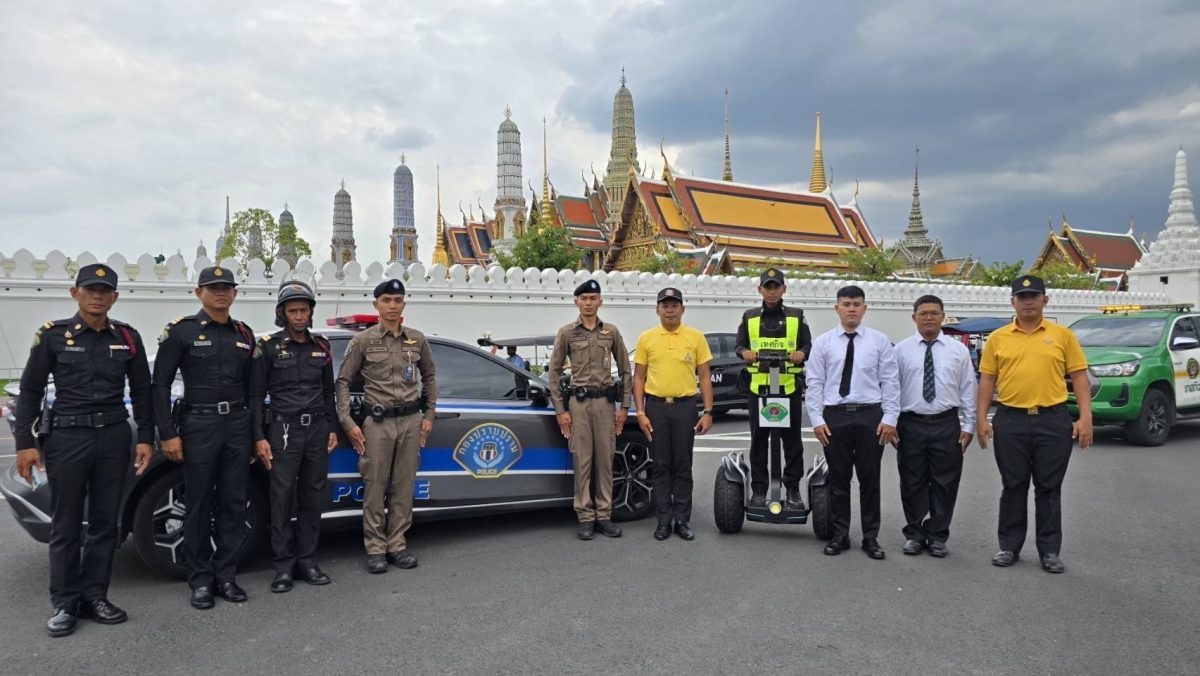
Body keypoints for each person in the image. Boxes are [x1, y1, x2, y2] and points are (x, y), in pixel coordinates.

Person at [13, 264, 153, 637]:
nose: (97, 296)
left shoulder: (127, 337)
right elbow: (30, 391)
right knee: (67, 524)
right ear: (75, 293)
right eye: (90, 289)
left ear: (114, 298)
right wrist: (25, 444)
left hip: (112, 438)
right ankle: (64, 602)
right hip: (68, 440)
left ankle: (96, 596)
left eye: (105, 291)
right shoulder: (53, 337)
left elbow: (142, 390)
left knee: (106, 524)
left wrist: (145, 438)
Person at [152, 265, 256, 610]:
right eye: (213, 288)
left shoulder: (244, 333)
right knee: (197, 504)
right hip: (199, 425)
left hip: (237, 426)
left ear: (235, 293)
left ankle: (226, 575)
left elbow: (255, 391)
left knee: (233, 502)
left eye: (227, 287)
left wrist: (256, 435)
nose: (221, 293)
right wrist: (167, 433)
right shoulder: (181, 332)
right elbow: (160, 384)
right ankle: (199, 580)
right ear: (199, 293)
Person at [976, 275, 1092, 574]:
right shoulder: (998, 338)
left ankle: (1050, 551)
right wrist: (981, 418)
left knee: (1049, 487)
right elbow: (987, 380)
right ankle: (1009, 547)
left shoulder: (1062, 335)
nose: (1028, 301)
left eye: (1034, 295)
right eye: (1022, 296)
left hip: (1052, 419)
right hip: (1011, 419)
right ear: (1012, 301)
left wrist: (1085, 417)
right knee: (1013, 485)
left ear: (1045, 300)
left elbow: (1079, 377)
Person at [336, 279, 436, 574]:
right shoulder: (363, 341)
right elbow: (342, 382)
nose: (393, 306)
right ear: (376, 304)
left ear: (404, 303)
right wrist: (347, 422)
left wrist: (428, 415)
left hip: (410, 420)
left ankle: (397, 545)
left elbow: (429, 378)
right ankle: (376, 549)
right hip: (376, 423)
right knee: (375, 486)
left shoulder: (416, 340)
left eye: (398, 300)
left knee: (404, 487)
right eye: (387, 300)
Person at [249, 280, 338, 593]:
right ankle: (283, 567)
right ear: (282, 313)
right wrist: (258, 436)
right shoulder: (268, 347)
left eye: (304, 310)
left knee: (312, 498)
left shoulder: (322, 347)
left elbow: (328, 393)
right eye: (293, 311)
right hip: (283, 431)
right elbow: (256, 396)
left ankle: (308, 561)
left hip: (316, 430)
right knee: (282, 500)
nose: (299, 316)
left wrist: (331, 428)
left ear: (311, 313)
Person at [806, 285, 899, 559]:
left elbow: (890, 382)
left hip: (871, 415)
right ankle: (840, 534)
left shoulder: (879, 341)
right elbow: (814, 383)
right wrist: (817, 419)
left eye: (857, 304)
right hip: (835, 416)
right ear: (837, 308)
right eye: (846, 304)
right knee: (838, 479)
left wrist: (891, 417)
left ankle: (871, 537)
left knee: (870, 479)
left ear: (865, 308)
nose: (851, 309)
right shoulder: (823, 343)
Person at [547, 279, 633, 540]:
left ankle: (604, 515)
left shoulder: (611, 333)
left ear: (600, 302)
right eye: (583, 299)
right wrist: (560, 410)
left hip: (606, 404)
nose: (588, 303)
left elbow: (626, 370)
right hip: (579, 404)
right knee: (582, 460)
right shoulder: (567, 333)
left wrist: (625, 406)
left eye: (592, 298)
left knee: (605, 460)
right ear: (576, 302)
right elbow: (554, 371)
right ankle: (585, 516)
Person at [893, 294, 977, 558]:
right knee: (912, 481)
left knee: (945, 481)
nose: (928, 317)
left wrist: (970, 425)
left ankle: (938, 535)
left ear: (943, 317)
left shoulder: (958, 351)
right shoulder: (901, 350)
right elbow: (891, 390)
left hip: (946, 423)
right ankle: (915, 534)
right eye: (923, 313)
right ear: (914, 317)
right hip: (910, 423)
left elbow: (968, 389)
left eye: (934, 313)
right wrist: (891, 423)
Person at [633, 288, 714, 542]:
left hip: (685, 407)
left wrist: (708, 411)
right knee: (660, 466)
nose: (669, 309)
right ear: (657, 309)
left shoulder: (696, 337)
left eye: (674, 304)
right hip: (656, 407)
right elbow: (639, 377)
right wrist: (641, 411)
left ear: (682, 309)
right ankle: (663, 521)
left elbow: (704, 376)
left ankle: (682, 520)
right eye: (665, 305)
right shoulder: (647, 338)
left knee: (683, 466)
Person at [734, 267, 812, 509]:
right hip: (760, 391)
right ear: (760, 289)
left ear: (783, 289)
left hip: (788, 389)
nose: (772, 291)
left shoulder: (797, 316)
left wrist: (801, 353)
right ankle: (759, 490)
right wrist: (745, 353)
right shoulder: (749, 317)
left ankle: (792, 489)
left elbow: (808, 345)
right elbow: (739, 345)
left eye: (776, 286)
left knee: (792, 442)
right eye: (767, 287)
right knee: (759, 441)